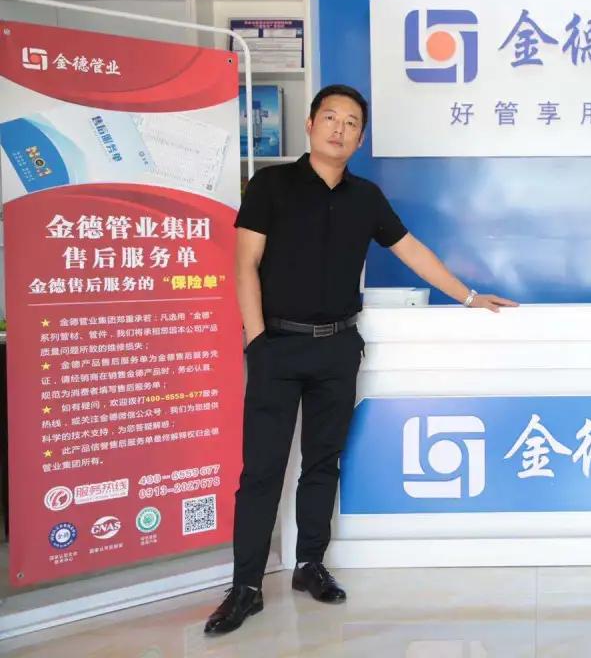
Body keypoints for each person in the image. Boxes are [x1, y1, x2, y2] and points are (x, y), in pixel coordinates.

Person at [205, 84, 517, 634]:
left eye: (351, 123)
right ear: (310, 124)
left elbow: (412, 250)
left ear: (360, 138)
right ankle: (246, 586)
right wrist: (256, 342)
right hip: (277, 346)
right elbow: (244, 264)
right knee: (263, 471)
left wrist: (468, 297)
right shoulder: (271, 185)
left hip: (337, 347)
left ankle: (309, 564)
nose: (340, 129)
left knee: (323, 462)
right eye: (331, 117)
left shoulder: (365, 198)